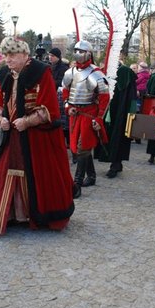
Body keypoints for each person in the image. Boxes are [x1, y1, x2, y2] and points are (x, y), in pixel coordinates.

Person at [0, 36, 74, 235]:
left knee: (41, 175)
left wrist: (27, 121)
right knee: (5, 171)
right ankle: (13, 214)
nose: (8, 59)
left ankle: (38, 215)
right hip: (11, 136)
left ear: (24, 55)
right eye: (6, 55)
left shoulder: (41, 72)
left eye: (12, 55)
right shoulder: (5, 72)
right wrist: (0, 119)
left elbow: (49, 109)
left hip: (39, 137)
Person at [62, 40, 110, 197]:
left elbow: (104, 98)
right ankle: (92, 176)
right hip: (75, 114)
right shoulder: (70, 72)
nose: (78, 53)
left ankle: (77, 183)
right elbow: (65, 92)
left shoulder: (95, 73)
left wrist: (99, 117)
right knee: (77, 147)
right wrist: (68, 106)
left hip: (89, 114)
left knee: (83, 147)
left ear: (88, 54)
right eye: (76, 50)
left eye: (81, 51)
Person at [95, 61, 137, 178]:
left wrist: (132, 113)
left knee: (117, 137)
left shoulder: (125, 73)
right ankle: (115, 163)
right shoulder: (103, 73)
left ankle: (115, 164)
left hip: (120, 110)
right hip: (106, 109)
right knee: (107, 136)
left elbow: (132, 96)